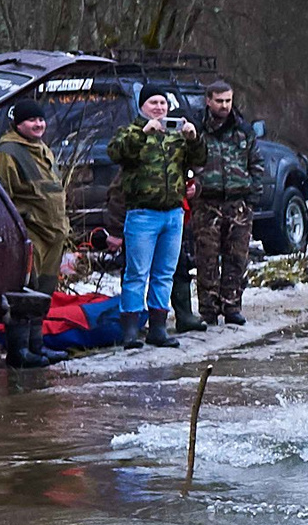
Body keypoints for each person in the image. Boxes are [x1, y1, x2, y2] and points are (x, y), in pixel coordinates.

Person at [107, 89, 205, 348]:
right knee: (136, 273)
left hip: (173, 214)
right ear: (143, 106)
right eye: (153, 102)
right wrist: (144, 133)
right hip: (142, 215)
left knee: (165, 273)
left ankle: (158, 329)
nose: (159, 107)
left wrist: (194, 139)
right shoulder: (130, 131)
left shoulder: (177, 134)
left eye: (163, 103)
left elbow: (201, 160)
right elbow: (116, 152)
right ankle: (130, 331)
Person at [0, 98, 71, 367]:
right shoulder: (9, 151)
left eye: (41, 120)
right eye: (31, 120)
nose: (38, 125)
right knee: (26, 292)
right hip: (31, 232)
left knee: (44, 290)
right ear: (18, 123)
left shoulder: (42, 148)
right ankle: (19, 352)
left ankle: (37, 346)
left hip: (53, 233)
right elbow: (4, 194)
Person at [187, 79, 261, 327]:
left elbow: (256, 164)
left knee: (236, 258)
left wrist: (252, 199)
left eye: (228, 100)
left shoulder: (243, 130)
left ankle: (232, 306)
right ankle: (208, 309)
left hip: (238, 203)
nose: (224, 106)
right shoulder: (197, 129)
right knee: (206, 259)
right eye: (219, 101)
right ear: (208, 101)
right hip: (207, 203)